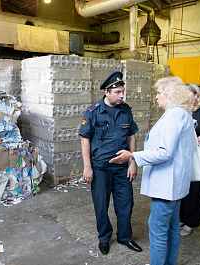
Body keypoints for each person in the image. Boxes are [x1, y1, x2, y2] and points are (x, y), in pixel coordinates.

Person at [109, 76, 195, 265]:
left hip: (167, 185)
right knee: (171, 228)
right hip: (176, 184)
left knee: (157, 230)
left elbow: (164, 153)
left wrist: (132, 156)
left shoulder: (174, 116)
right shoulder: (182, 114)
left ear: (170, 95)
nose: (156, 97)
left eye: (159, 93)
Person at [79, 71, 142, 255]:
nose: (122, 95)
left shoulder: (126, 110)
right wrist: (87, 167)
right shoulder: (93, 111)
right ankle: (104, 238)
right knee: (101, 206)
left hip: (122, 168)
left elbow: (131, 136)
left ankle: (124, 237)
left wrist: (133, 161)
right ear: (107, 92)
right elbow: (85, 139)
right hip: (101, 169)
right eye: (118, 92)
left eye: (123, 91)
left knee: (126, 204)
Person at [180, 83, 200, 236]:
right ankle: (181, 217)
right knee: (183, 188)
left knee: (195, 191)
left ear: (196, 95)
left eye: (188, 93)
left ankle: (191, 222)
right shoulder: (183, 112)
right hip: (184, 157)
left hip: (198, 157)